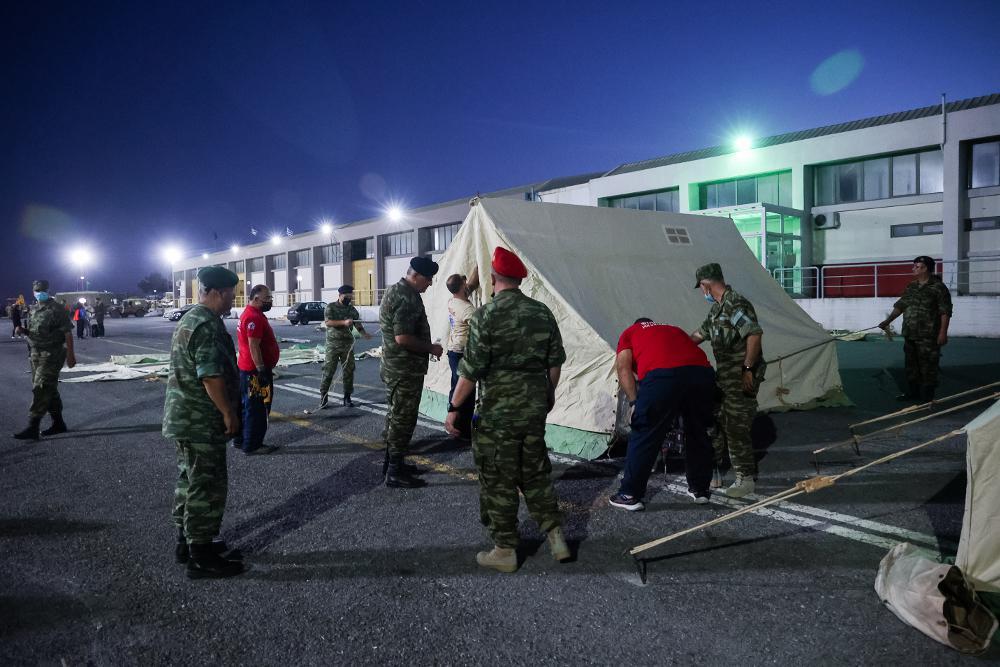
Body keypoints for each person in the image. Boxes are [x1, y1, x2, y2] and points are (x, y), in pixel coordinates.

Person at [445, 247, 570, 573]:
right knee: (536, 473)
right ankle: (556, 538)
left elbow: (469, 372)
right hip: (533, 410)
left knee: (498, 479)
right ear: (519, 279)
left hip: (497, 415)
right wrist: (548, 394)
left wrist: (454, 407)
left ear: (493, 278)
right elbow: (554, 362)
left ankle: (505, 550)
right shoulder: (541, 312)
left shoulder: (486, 314)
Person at [162, 266, 245, 579]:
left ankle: (187, 543)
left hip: (185, 418)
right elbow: (210, 376)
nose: (232, 301)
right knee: (206, 486)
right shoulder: (207, 325)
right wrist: (228, 412)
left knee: (189, 481)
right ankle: (202, 555)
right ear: (218, 292)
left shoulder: (192, 318)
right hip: (200, 420)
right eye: (231, 295)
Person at [608, 318, 717, 510]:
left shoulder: (630, 332)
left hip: (662, 375)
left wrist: (635, 402)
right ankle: (700, 490)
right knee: (698, 430)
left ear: (637, 324)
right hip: (702, 374)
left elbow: (623, 368)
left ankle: (629, 494)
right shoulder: (673, 327)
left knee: (644, 431)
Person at [690, 263, 766, 499]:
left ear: (706, 285)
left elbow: (754, 333)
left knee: (735, 426)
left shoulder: (735, 303)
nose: (703, 292)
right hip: (724, 378)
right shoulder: (716, 311)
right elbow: (697, 336)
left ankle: (745, 478)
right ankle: (715, 469)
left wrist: (747, 369)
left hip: (740, 377)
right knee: (715, 422)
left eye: (701, 287)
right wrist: (671, 346)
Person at [378, 256, 443, 489]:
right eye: (428, 279)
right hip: (403, 369)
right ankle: (394, 471)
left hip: (398, 366)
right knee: (403, 419)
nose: (430, 284)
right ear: (414, 275)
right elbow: (402, 338)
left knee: (397, 416)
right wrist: (432, 348)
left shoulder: (398, 290)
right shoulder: (405, 297)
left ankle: (395, 463)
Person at [878, 255, 953, 402]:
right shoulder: (911, 286)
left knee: (928, 368)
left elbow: (945, 311)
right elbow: (901, 306)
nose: (913, 269)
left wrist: (943, 333)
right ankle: (913, 393)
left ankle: (927, 398)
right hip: (910, 333)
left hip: (928, 336)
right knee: (911, 367)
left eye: (916, 266)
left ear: (925, 268)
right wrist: (887, 321)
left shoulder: (938, 287)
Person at [13, 280, 75, 440]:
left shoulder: (57, 309)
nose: (39, 292)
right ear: (33, 291)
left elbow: (68, 333)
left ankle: (33, 426)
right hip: (35, 354)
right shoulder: (34, 309)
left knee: (40, 388)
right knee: (49, 389)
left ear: (47, 290)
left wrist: (70, 355)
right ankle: (59, 423)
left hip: (52, 354)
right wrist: (24, 330)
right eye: (37, 290)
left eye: (42, 290)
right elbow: (36, 332)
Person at [234, 284, 280, 455]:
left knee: (246, 406)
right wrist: (261, 370)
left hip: (247, 368)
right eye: (266, 299)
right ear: (255, 299)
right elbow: (254, 346)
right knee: (258, 409)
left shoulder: (251, 313)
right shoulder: (253, 317)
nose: (269, 301)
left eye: (270, 298)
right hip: (254, 371)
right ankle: (253, 445)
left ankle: (240, 439)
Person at [318, 284, 371, 409]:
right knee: (328, 371)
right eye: (346, 296)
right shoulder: (331, 307)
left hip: (347, 346)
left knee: (349, 372)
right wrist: (344, 322)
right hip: (333, 345)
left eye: (350, 297)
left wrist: (364, 333)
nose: (348, 299)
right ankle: (323, 397)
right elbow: (328, 322)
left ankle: (347, 397)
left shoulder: (351, 310)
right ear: (340, 295)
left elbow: (357, 323)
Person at [444, 268, 480, 439]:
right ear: (461, 287)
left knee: (456, 387)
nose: (468, 285)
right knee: (466, 391)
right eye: (465, 283)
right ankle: (461, 429)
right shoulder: (467, 310)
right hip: (462, 353)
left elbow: (470, 285)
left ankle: (455, 424)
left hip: (453, 351)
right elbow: (482, 327)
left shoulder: (453, 301)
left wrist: (477, 268)